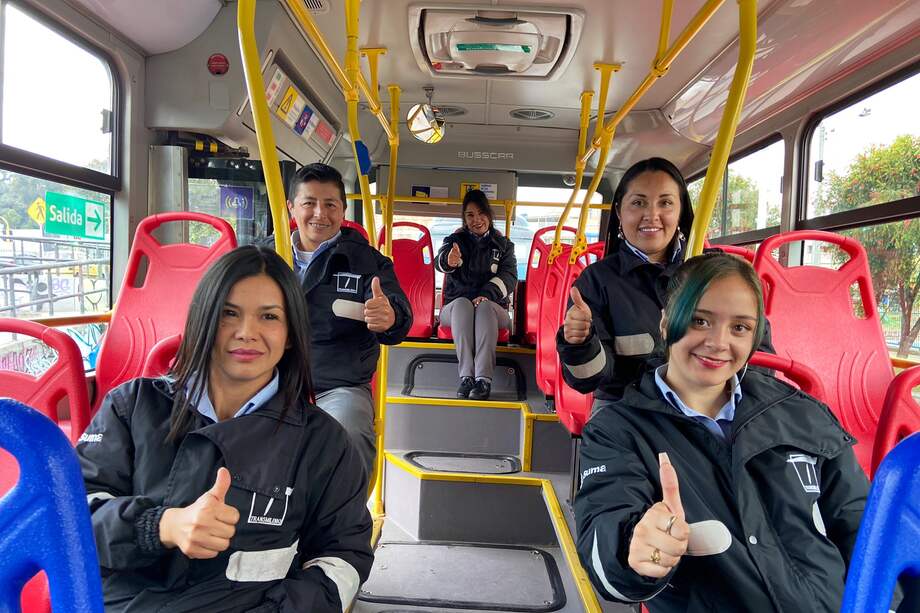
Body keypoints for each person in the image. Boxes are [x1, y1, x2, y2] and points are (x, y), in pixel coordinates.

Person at [78, 246, 373, 612]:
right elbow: (72, 516)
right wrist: (162, 526)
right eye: (228, 314)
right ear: (203, 319)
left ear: (292, 333)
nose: (247, 333)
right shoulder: (131, 406)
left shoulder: (323, 442)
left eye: (269, 317)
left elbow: (343, 558)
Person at [575, 253, 873, 612]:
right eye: (700, 321)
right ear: (667, 323)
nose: (718, 343)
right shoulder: (619, 431)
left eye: (740, 328)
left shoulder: (801, 413)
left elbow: (866, 530)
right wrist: (634, 552)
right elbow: (604, 539)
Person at [261, 162, 412, 478]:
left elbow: (399, 311)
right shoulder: (264, 259)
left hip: (338, 385)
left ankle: (342, 521)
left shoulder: (367, 261)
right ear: (291, 208)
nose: (320, 214)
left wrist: (391, 316)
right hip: (266, 380)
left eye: (330, 204)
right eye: (309, 203)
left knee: (348, 435)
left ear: (343, 211)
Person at [556, 157, 695, 403]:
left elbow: (756, 357)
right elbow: (590, 379)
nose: (652, 215)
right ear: (619, 211)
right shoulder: (597, 280)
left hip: (703, 410)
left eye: (665, 203)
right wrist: (580, 343)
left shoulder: (713, 275)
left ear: (681, 210)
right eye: (639, 203)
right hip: (624, 410)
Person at [435, 189, 517, 400]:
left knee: (484, 307)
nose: (476, 220)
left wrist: (485, 295)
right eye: (470, 215)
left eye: (481, 213)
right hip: (456, 308)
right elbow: (441, 260)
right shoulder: (454, 241)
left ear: (489, 215)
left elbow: (509, 277)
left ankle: (483, 380)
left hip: (492, 309)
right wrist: (448, 261)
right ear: (464, 218)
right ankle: (467, 378)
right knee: (463, 304)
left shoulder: (504, 246)